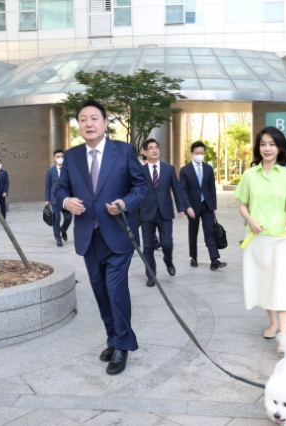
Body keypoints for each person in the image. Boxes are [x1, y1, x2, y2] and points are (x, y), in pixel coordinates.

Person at [55, 99, 147, 375]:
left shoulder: (124, 150)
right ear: (78, 125)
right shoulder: (71, 156)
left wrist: (124, 203)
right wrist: (65, 201)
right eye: (83, 119)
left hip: (118, 233)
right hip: (88, 236)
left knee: (116, 290)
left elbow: (140, 186)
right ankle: (114, 337)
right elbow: (60, 188)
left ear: (106, 123)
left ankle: (122, 346)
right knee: (100, 292)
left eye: (94, 118)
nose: (89, 123)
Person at [233, 127, 286, 354]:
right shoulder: (249, 175)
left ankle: (283, 335)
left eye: (272, 144)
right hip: (256, 239)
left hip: (282, 238)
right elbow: (242, 205)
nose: (267, 148)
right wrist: (251, 220)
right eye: (263, 144)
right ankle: (272, 322)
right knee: (264, 284)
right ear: (258, 147)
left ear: (280, 147)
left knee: (282, 285)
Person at [140, 138, 186, 287]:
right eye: (151, 148)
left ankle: (168, 260)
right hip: (147, 213)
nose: (154, 150)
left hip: (165, 212)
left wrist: (180, 207)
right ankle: (151, 275)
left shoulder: (169, 168)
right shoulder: (140, 171)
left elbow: (177, 189)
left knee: (167, 243)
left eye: (156, 147)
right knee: (147, 247)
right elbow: (135, 191)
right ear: (145, 152)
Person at [179, 141, 227, 271]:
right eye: (197, 153)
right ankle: (193, 257)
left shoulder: (208, 169)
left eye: (201, 153)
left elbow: (212, 188)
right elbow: (182, 190)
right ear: (192, 153)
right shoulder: (185, 170)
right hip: (192, 207)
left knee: (210, 232)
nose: (199, 155)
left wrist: (214, 206)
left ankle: (214, 260)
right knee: (193, 232)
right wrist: (187, 207)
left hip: (207, 206)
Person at [45, 149, 72, 247]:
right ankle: (58, 238)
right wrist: (47, 199)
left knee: (68, 218)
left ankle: (63, 229)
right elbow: (48, 185)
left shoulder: (69, 169)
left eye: (62, 156)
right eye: (58, 156)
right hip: (54, 199)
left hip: (66, 198)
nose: (60, 158)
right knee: (56, 219)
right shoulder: (50, 170)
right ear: (54, 158)